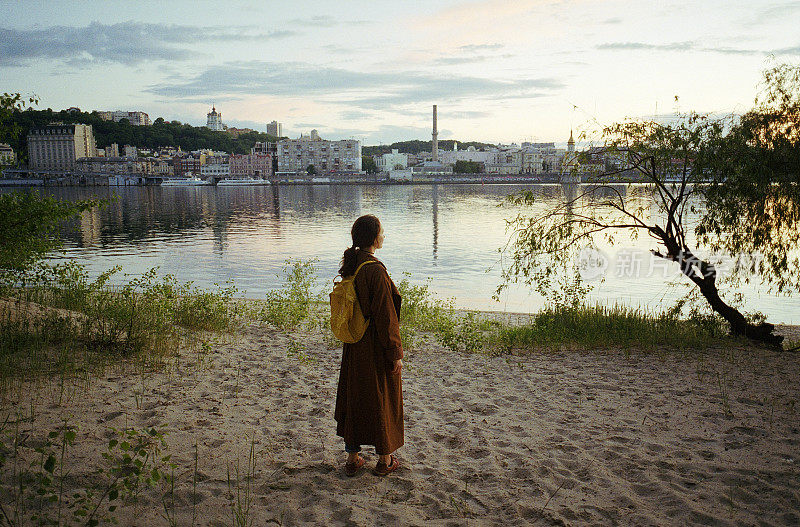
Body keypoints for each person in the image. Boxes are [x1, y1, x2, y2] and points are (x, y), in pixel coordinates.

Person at [334, 214, 403, 477]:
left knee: (355, 396)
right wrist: (395, 352)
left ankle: (353, 459)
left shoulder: (352, 265)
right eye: (382, 232)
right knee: (382, 397)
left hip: (354, 343)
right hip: (374, 345)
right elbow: (387, 316)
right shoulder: (375, 270)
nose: (384, 236)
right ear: (374, 237)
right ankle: (385, 461)